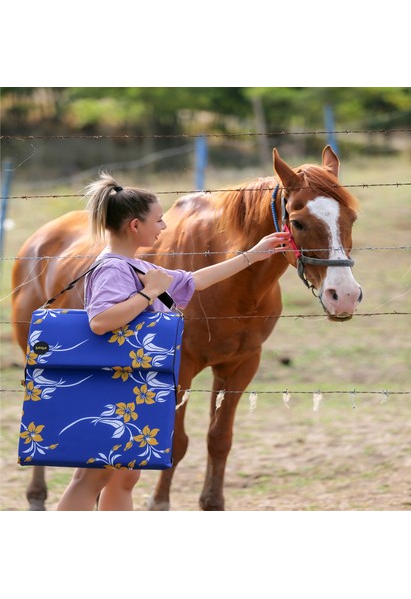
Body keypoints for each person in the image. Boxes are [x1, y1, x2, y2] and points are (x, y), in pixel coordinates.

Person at [56, 172, 289, 511]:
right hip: (110, 386)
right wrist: (148, 293)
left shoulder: (136, 266)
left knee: (124, 476)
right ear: (135, 226)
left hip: (131, 385)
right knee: (92, 477)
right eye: (158, 219)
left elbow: (194, 281)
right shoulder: (112, 269)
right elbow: (101, 321)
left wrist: (252, 255)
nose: (164, 226)